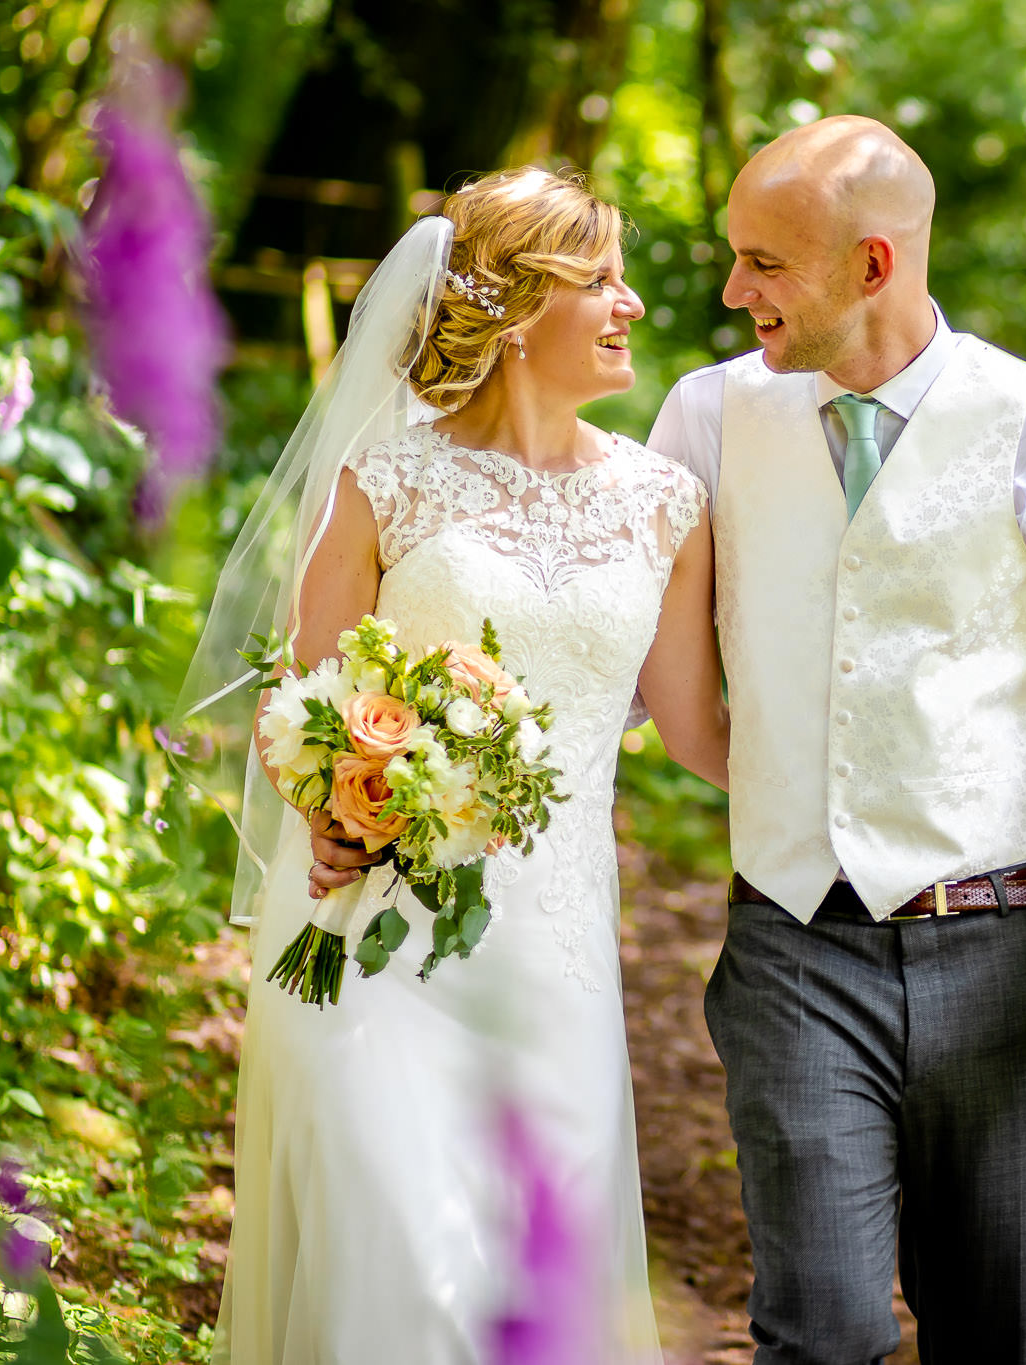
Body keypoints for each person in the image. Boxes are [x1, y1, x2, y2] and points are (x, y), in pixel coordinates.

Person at [645, 116, 1026, 1365]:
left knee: (991, 1336)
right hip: (791, 944)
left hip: (1001, 959)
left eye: (765, 265)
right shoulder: (705, 418)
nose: (734, 294)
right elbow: (620, 657)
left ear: (874, 266)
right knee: (820, 1329)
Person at [182, 168, 729, 1364]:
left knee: (523, 1289)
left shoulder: (662, 505)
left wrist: (857, 794)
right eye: (602, 281)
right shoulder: (381, 481)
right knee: (405, 1276)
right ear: (520, 309)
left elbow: (696, 735)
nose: (632, 304)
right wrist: (327, 801)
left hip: (553, 961)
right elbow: (304, 697)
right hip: (375, 933)